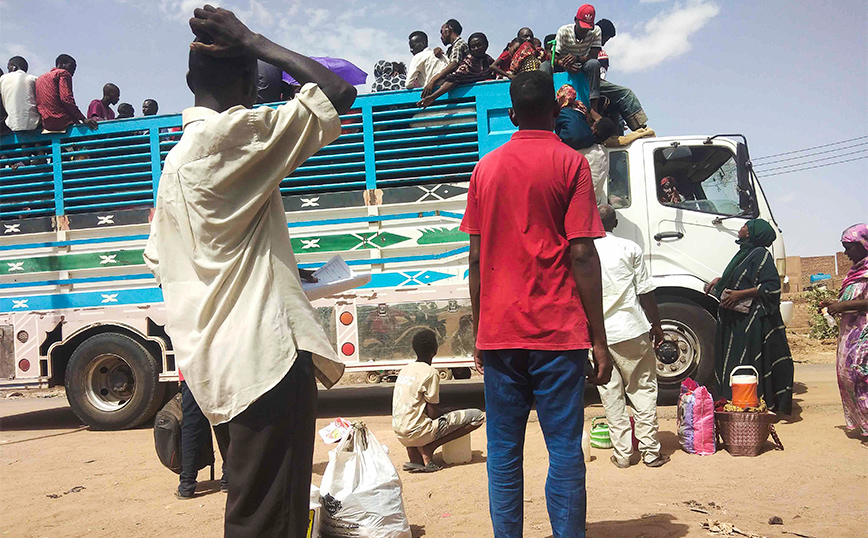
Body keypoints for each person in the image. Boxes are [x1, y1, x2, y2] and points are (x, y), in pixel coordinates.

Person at [142, 5, 356, 537]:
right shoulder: (231, 136)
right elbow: (336, 92)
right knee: (268, 521)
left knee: (254, 509)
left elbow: (160, 258)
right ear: (247, 81)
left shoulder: (175, 162)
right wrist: (254, 38)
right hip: (265, 364)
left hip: (221, 371)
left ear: (192, 81)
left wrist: (274, 268)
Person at [461, 71, 612, 538]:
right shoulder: (572, 165)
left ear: (510, 115)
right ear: (555, 112)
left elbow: (475, 257)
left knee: (503, 451)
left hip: (502, 331)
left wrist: (480, 330)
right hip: (558, 332)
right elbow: (582, 253)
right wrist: (599, 341)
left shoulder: (485, 169)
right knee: (564, 448)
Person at [594, 205, 670, 468]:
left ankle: (623, 454)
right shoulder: (630, 248)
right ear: (615, 223)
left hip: (598, 336)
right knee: (642, 390)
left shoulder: (580, 252)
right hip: (631, 329)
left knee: (611, 394)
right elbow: (645, 292)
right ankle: (650, 451)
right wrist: (657, 326)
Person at [705, 219, 793, 414]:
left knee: (745, 360)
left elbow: (770, 287)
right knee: (731, 359)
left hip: (748, 321)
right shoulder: (744, 253)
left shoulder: (761, 254)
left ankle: (749, 402)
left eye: (747, 226)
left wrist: (739, 295)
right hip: (733, 319)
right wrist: (721, 280)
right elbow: (742, 277)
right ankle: (731, 400)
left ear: (754, 233)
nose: (742, 228)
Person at [392, 329, 485, 473]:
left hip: (400, 432)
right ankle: (429, 448)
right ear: (435, 350)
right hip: (417, 432)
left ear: (414, 349)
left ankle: (415, 457)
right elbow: (433, 414)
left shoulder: (405, 370)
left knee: (413, 415)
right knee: (477, 417)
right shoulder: (430, 373)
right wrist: (448, 411)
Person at [555, 5, 649, 132]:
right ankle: (634, 129)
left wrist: (577, 58)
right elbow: (554, 57)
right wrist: (565, 63)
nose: (584, 31)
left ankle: (631, 131)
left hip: (588, 75)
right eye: (582, 27)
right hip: (571, 75)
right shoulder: (564, 32)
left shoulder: (596, 36)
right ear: (575, 20)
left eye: (587, 28)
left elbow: (593, 59)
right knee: (621, 96)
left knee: (618, 98)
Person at [820, 224, 868, 441]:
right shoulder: (856, 271)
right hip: (850, 335)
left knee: (862, 376)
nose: (846, 253)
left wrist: (843, 307)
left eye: (849, 248)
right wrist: (835, 304)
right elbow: (853, 300)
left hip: (864, 334)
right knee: (848, 376)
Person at [554, 84, 617, 204]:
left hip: (582, 202)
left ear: (594, 130)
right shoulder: (602, 153)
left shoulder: (585, 151)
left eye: (593, 125)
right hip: (592, 202)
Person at [176, 370, 230, 499]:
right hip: (218, 369)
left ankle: (186, 485)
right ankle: (229, 478)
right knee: (222, 420)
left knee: (191, 426)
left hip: (191, 371)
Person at [418, 32, 495, 108]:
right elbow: (454, 79)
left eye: (479, 45)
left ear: (486, 45)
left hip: (489, 100)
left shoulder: (490, 61)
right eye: (473, 47)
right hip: (470, 101)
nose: (476, 49)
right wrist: (433, 97)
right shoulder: (467, 64)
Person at [35, 54, 97, 132]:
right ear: (61, 64)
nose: (73, 72)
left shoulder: (40, 78)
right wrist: (83, 119)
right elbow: (66, 99)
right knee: (89, 131)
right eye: (71, 67)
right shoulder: (63, 73)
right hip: (61, 119)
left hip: (46, 122)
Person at [421, 19, 468, 98]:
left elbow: (453, 65)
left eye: (441, 32)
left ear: (448, 30)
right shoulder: (451, 49)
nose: (441, 36)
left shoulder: (459, 44)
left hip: (461, 86)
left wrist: (433, 80)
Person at [0, 56, 40, 132]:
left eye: (9, 68)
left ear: (14, 67)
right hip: (34, 124)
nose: (8, 71)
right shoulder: (34, 79)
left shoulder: (2, 79)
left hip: (11, 125)